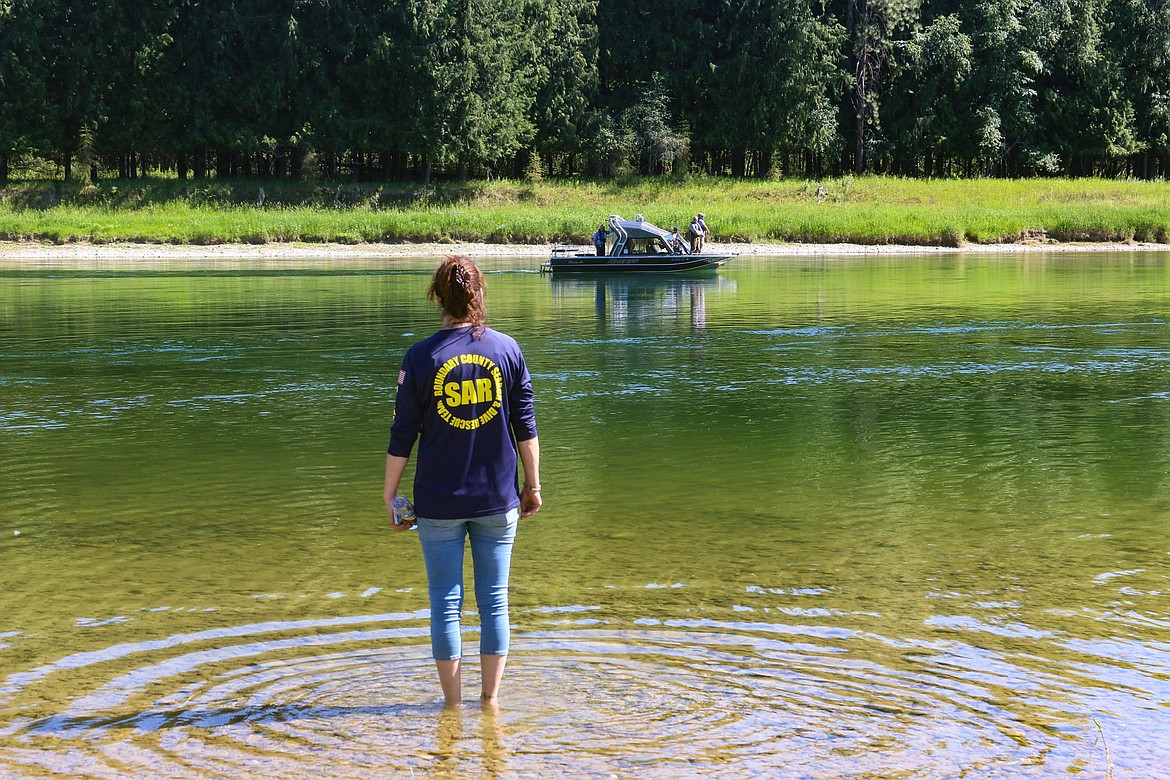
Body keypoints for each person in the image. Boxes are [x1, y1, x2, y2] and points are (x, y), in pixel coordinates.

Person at [385, 255, 541, 708]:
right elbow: (525, 427)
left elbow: (402, 434)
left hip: (438, 503)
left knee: (445, 604)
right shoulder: (507, 350)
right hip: (498, 498)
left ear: (437, 297)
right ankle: (489, 702)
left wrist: (391, 494)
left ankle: (451, 707)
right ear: (480, 294)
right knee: (495, 602)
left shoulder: (420, 357)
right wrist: (532, 485)